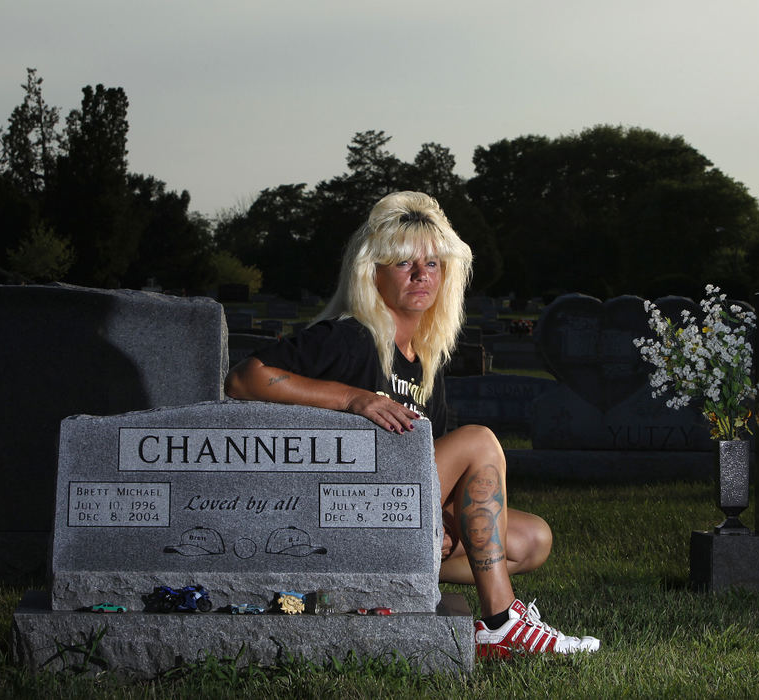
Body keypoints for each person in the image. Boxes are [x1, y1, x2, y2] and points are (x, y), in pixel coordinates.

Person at [225, 191, 600, 657]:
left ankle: (397, 577)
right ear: (373, 272)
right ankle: (501, 622)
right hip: (339, 510)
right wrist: (353, 398)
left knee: (530, 540)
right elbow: (244, 379)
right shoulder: (350, 336)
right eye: (404, 263)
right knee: (479, 440)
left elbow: (427, 456)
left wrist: (439, 521)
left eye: (434, 264)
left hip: (397, 505)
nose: (422, 275)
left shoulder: (425, 361)